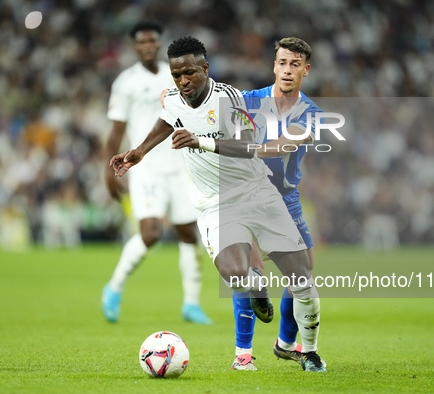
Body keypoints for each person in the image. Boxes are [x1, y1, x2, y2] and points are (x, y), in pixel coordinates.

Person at [110, 36, 325, 372]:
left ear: (205, 69)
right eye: (176, 75)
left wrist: (201, 141)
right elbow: (168, 118)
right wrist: (139, 151)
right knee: (236, 274)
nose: (183, 81)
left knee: (303, 279)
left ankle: (306, 351)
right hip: (214, 203)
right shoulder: (175, 97)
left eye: (189, 74)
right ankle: (252, 317)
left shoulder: (231, 100)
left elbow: (249, 144)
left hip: (261, 193)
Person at [102, 22, 211, 325]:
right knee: (150, 233)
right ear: (135, 47)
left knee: (189, 233)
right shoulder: (126, 83)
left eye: (153, 41)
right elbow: (116, 131)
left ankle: (191, 304)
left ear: (159, 43)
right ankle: (114, 287)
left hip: (180, 167)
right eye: (142, 42)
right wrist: (108, 172)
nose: (148, 46)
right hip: (146, 168)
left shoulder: (176, 72)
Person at [230, 37, 324, 371]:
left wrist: (246, 148)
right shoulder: (246, 100)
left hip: (286, 199)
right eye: (282, 62)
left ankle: (286, 345)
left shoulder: (312, 113)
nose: (287, 70)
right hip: (246, 196)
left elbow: (286, 144)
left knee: (303, 273)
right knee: (250, 272)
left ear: (305, 70)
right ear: (274, 65)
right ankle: (243, 353)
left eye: (295, 64)